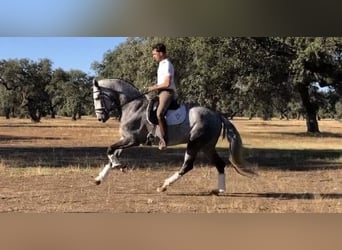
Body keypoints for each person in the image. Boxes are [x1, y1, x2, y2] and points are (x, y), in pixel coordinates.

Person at [148, 43, 177, 150]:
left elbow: (167, 83)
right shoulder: (161, 64)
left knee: (159, 113)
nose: (153, 56)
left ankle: (164, 140)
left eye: (154, 54)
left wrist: (154, 87)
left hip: (167, 92)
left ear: (161, 53)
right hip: (160, 92)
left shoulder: (167, 64)